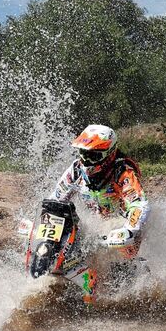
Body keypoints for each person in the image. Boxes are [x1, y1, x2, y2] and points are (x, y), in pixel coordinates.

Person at [47, 124, 150, 301]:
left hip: (122, 226)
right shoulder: (76, 169)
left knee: (115, 259)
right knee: (67, 244)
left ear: (108, 154)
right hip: (98, 222)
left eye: (92, 155)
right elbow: (56, 200)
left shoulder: (122, 172)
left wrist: (129, 230)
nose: (85, 160)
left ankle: (113, 297)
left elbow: (139, 205)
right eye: (83, 153)